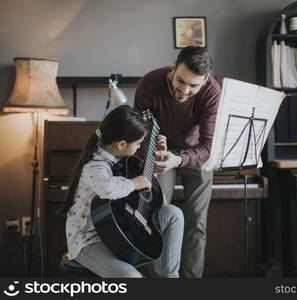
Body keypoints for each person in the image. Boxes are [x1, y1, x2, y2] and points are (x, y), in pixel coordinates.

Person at [59, 105, 184, 278]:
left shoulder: (123, 159)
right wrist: (135, 183)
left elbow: (143, 185)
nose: (140, 147)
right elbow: (108, 188)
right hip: (88, 242)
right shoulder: (95, 167)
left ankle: (170, 278)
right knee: (133, 278)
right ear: (122, 144)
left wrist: (153, 164)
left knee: (173, 213)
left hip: (122, 229)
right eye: (139, 144)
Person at [134, 46, 221, 278]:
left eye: (194, 85)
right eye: (180, 80)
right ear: (173, 67)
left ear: (205, 81)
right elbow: (138, 134)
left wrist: (179, 160)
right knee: (156, 220)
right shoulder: (148, 85)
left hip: (196, 153)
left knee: (197, 223)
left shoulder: (212, 91)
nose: (184, 89)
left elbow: (208, 147)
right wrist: (153, 152)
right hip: (159, 152)